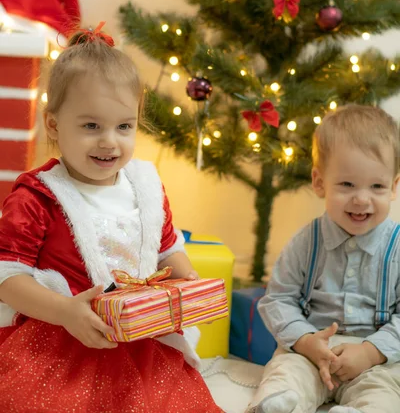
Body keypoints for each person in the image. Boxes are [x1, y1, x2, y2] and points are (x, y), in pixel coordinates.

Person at [0, 23, 223, 413]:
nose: (109, 141)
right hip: (61, 336)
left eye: (124, 127)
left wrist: (185, 283)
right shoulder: (39, 195)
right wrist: (64, 311)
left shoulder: (146, 186)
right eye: (91, 126)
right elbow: (7, 276)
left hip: (139, 334)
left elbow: (167, 248)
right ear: (54, 124)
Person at [247, 104, 400, 413]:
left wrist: (370, 352)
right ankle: (279, 404)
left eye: (377, 186)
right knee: (285, 374)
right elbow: (278, 299)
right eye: (346, 184)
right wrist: (305, 341)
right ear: (319, 183)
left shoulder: (396, 246)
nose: (361, 198)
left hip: (376, 360)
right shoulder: (307, 241)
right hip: (312, 351)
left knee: (384, 394)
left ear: (394, 187)